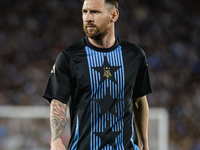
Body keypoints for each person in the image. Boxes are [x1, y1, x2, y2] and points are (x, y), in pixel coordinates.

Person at [43, 0, 152, 149]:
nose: (88, 18)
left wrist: (145, 144)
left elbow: (139, 101)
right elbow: (58, 101)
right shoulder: (69, 57)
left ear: (114, 15)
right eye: (84, 12)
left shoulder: (134, 55)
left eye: (95, 12)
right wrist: (55, 140)